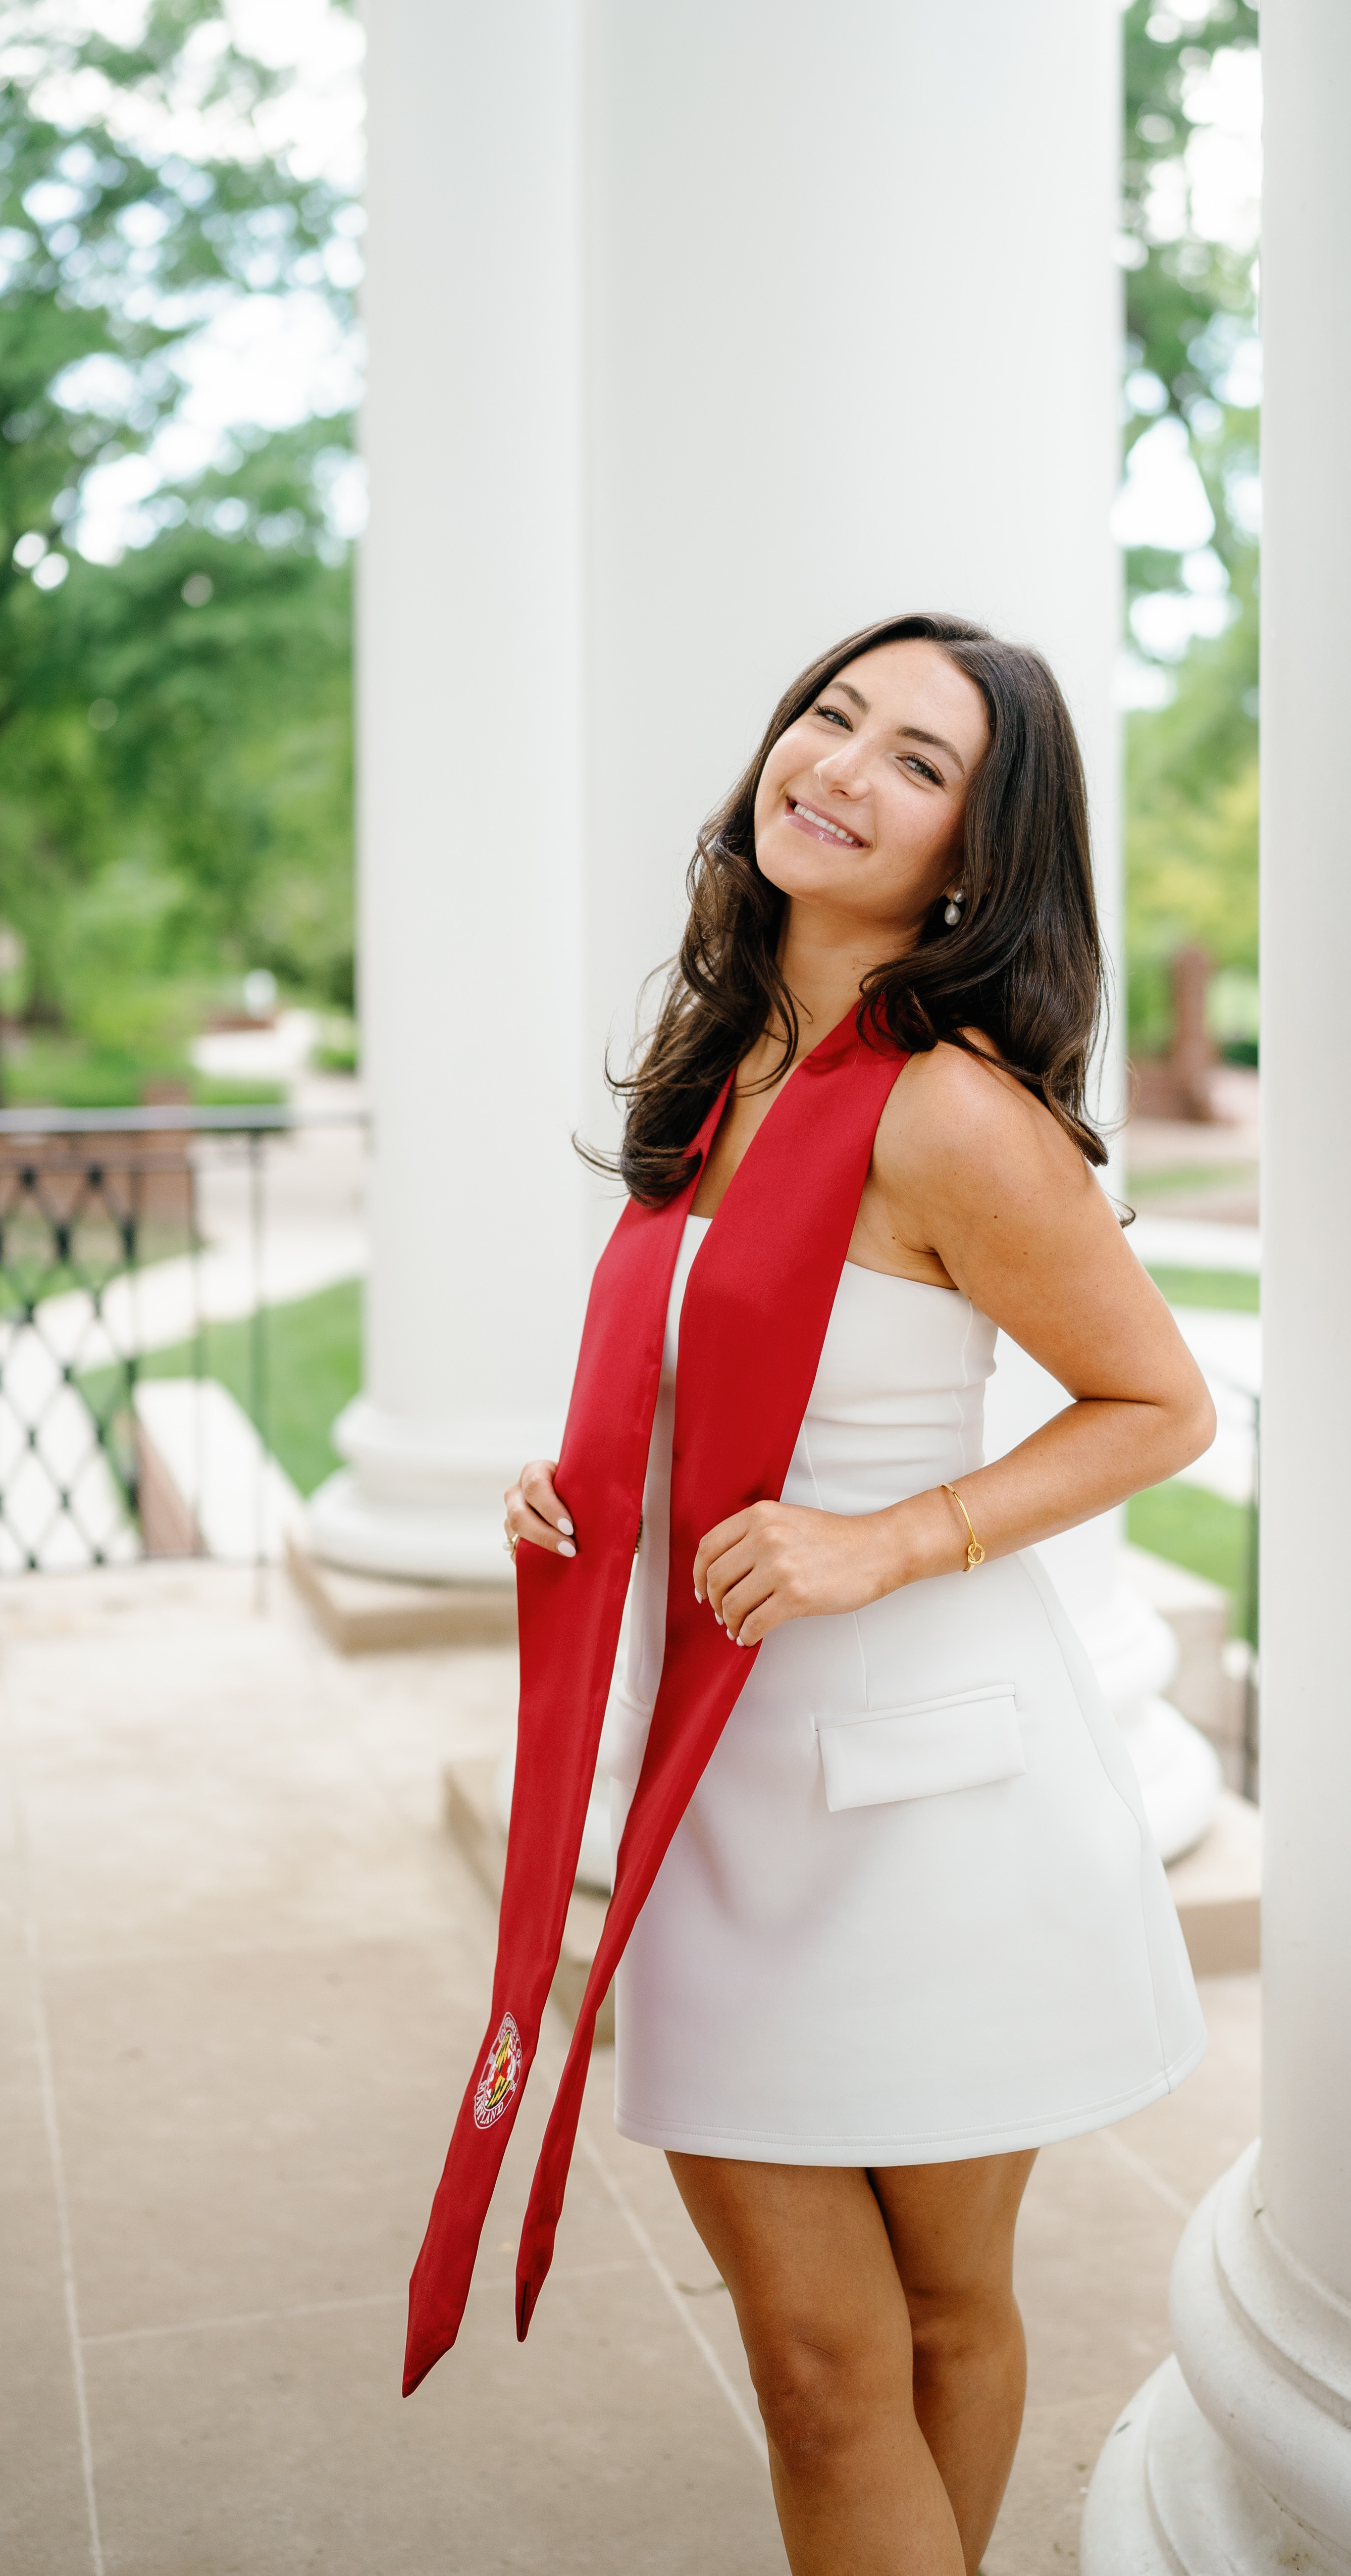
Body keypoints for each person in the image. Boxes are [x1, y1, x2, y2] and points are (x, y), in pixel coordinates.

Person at [502, 612, 1215, 2576]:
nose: (841, 767)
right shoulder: (717, 1057)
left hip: (938, 1804)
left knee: (937, 2311)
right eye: (832, 716)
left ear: (972, 859)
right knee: (819, 2362)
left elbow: (1157, 1404)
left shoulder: (952, 1109)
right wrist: (584, 1499)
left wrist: (888, 1539)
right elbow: (717, 1384)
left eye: (918, 761)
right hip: (716, 1789)